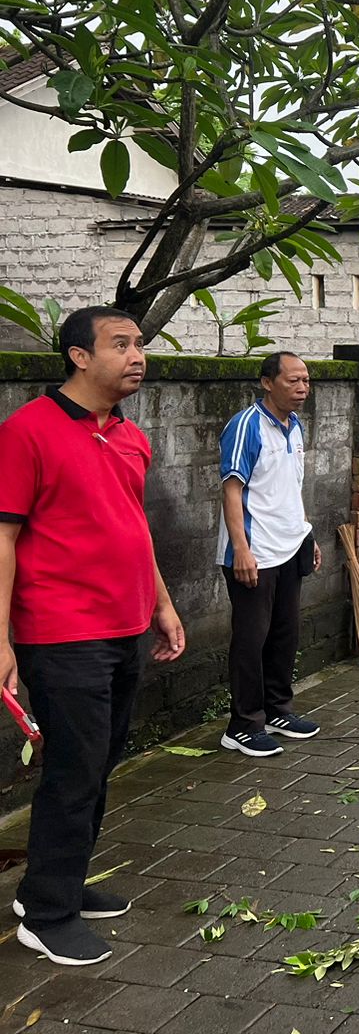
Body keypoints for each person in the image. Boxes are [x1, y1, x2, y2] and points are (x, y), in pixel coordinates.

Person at [0, 306, 186, 967]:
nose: (138, 356)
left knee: (98, 765)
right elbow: (4, 537)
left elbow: (133, 526)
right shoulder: (27, 432)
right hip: (62, 632)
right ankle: (46, 914)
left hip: (125, 625)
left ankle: (61, 882)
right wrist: (1, 640)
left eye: (139, 344)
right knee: (73, 772)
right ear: (79, 356)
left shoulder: (130, 436)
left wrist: (163, 606)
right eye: (120, 344)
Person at [216, 352, 322, 758]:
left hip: (290, 546)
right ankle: (243, 726)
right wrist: (241, 549)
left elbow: (290, 487)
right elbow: (232, 490)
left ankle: (278, 711)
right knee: (251, 640)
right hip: (255, 551)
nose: (302, 389)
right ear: (267, 383)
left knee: (284, 634)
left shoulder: (295, 425)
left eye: (306, 381)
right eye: (293, 381)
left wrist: (306, 534)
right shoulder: (247, 425)